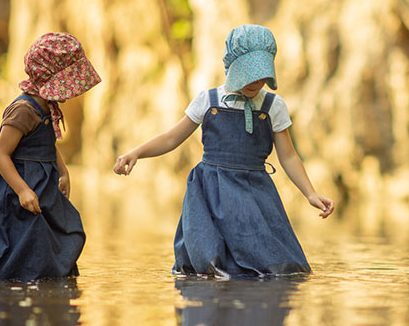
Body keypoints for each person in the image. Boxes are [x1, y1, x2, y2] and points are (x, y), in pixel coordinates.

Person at [114, 24, 334, 278]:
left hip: (254, 192)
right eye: (248, 74)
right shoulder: (208, 101)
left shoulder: (274, 106)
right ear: (232, 67)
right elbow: (172, 137)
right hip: (210, 191)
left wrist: (310, 193)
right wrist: (136, 153)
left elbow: (288, 156)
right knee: (209, 259)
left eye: (261, 75)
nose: (256, 82)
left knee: (278, 265)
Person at [0, 32, 101, 281]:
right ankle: (13, 285)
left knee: (60, 232)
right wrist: (22, 190)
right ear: (50, 79)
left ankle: (45, 280)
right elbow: (1, 155)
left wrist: (63, 170)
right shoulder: (24, 110)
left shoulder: (48, 107)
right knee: (23, 240)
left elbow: (47, 143)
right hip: (17, 190)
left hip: (43, 188)